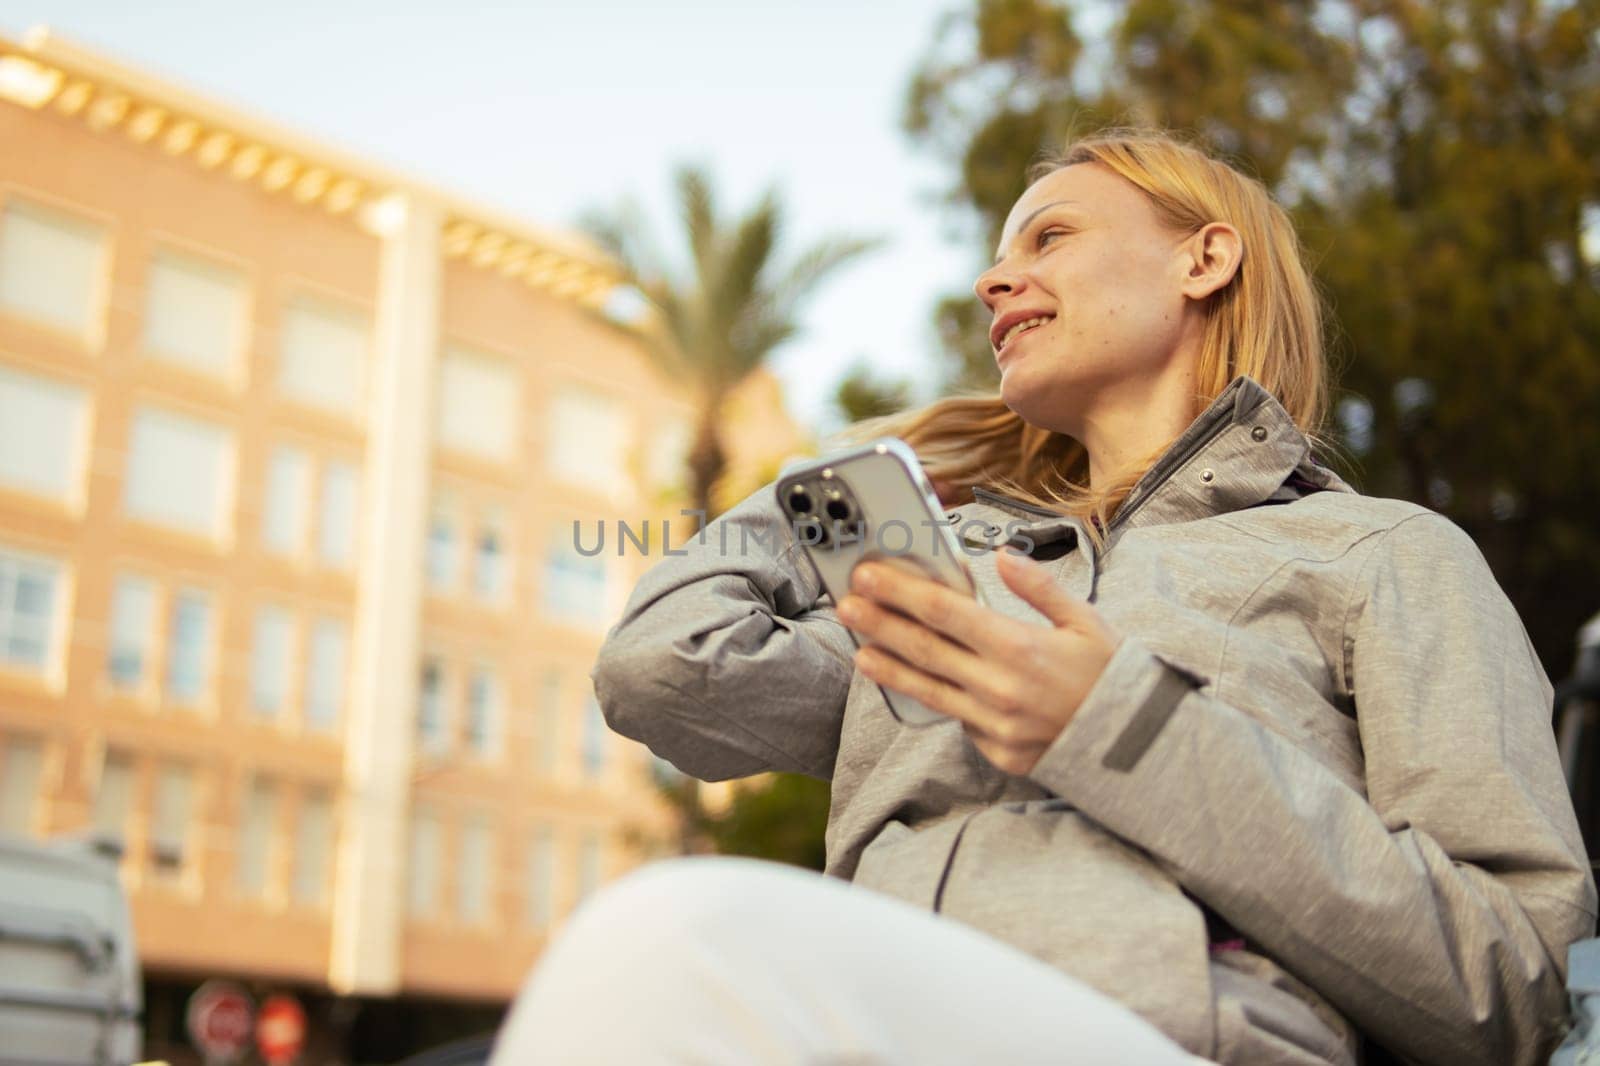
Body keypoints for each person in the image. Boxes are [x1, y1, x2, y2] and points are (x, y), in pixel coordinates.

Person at [490, 129, 1597, 1065]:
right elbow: (665, 665)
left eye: (1048, 235)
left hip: (1182, 1039)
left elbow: (1510, 976)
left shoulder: (1381, 553)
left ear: (1203, 259)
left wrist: (1111, 724)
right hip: (891, 1023)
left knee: (675, 935)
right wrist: (846, 487)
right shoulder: (954, 593)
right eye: (997, 254)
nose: (992, 279)